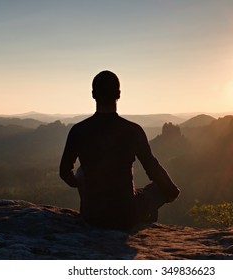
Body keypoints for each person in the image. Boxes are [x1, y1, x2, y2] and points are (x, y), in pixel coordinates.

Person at [59, 70, 180, 230]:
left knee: (82, 170)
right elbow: (152, 168)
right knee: (157, 189)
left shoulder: (78, 130)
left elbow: (64, 172)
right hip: (126, 214)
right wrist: (171, 192)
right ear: (119, 94)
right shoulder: (133, 130)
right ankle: (144, 217)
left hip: (92, 214)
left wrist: (81, 183)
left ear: (93, 95)